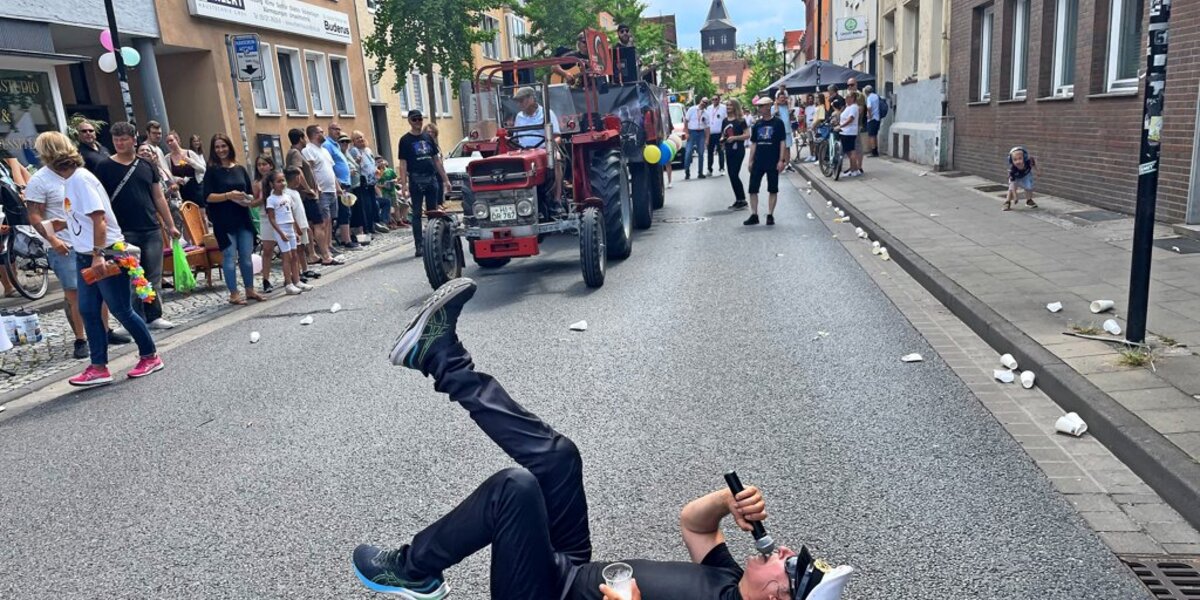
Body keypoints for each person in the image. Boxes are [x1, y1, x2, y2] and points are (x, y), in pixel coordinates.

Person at [352, 278, 852, 600]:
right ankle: (439, 356)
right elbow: (694, 525)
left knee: (514, 488)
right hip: (572, 569)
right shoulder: (729, 582)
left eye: (792, 566)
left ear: (778, 598)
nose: (785, 551)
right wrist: (727, 502)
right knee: (560, 459)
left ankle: (411, 569)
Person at [33, 131, 164, 386]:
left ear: (49, 155)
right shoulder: (72, 180)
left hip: (106, 252)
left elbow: (99, 219)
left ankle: (150, 356)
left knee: (121, 309)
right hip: (87, 254)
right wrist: (62, 224)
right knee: (89, 310)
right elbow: (85, 217)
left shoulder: (80, 179)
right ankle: (98, 366)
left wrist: (98, 255)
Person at [94, 121, 179, 330]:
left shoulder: (147, 165)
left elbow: (158, 196)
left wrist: (170, 225)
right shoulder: (104, 167)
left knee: (153, 275)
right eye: (116, 139)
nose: (119, 143)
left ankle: (154, 315)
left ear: (134, 140)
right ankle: (133, 319)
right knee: (129, 277)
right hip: (122, 231)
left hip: (150, 227)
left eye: (124, 139)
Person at [24, 153, 90, 359]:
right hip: (63, 244)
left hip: (85, 240)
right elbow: (34, 215)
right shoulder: (40, 180)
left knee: (98, 288)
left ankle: (105, 331)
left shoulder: (78, 174)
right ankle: (81, 339)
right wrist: (52, 240)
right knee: (73, 293)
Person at [203, 133, 265, 305]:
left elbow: (249, 193)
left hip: (242, 217)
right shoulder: (212, 171)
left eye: (223, 146)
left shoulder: (240, 169)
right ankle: (234, 293)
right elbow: (207, 197)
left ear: (229, 147)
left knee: (246, 256)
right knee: (229, 256)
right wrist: (228, 195)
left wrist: (247, 199)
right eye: (217, 147)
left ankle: (250, 289)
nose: (221, 150)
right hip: (223, 220)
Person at [397, 109, 452, 258]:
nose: (418, 122)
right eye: (414, 119)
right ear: (409, 121)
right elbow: (403, 163)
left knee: (433, 212)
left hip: (431, 178)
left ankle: (434, 243)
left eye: (420, 119)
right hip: (416, 179)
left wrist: (446, 179)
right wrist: (404, 185)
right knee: (416, 213)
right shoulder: (405, 140)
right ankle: (419, 245)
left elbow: (436, 160)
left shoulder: (428, 137)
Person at [511, 86, 564, 209]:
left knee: (556, 158)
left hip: (544, 150)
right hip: (523, 152)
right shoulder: (519, 117)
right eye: (518, 101)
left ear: (531, 99)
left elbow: (557, 137)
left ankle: (557, 198)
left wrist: (549, 146)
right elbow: (515, 138)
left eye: (521, 100)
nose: (519, 104)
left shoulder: (547, 113)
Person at [264, 169, 310, 295]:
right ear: (272, 184)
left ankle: (297, 280)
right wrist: (280, 233)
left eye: (283, 180)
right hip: (281, 229)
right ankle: (288, 283)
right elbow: (272, 218)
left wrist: (296, 229)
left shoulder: (287, 197)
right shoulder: (271, 199)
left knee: (294, 255)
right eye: (278, 181)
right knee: (287, 256)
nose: (282, 183)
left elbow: (291, 213)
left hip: (290, 228)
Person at [302, 124, 342, 266]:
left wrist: (337, 187)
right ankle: (324, 250)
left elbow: (330, 170)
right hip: (322, 190)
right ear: (314, 134)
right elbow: (310, 170)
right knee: (323, 221)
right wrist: (316, 187)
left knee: (329, 220)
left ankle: (329, 245)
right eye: (321, 132)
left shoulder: (324, 150)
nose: (323, 134)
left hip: (331, 189)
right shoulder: (308, 150)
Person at [744, 97, 786, 227]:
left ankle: (770, 214)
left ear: (768, 106)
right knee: (753, 189)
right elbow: (754, 143)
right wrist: (750, 160)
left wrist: (781, 160)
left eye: (761, 106)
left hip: (772, 160)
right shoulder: (757, 124)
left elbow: (782, 142)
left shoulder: (778, 123)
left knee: (773, 188)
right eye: (759, 106)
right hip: (759, 160)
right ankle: (754, 214)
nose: (759, 109)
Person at [286, 128, 323, 269]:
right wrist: (308, 189)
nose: (306, 140)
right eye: (304, 137)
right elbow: (297, 171)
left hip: (304, 195)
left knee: (309, 224)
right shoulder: (295, 153)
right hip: (305, 196)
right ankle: (315, 253)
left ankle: (313, 253)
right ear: (301, 138)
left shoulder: (297, 153)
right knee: (314, 223)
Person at [252, 155, 278, 292]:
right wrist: (262, 198)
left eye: (264, 164)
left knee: (288, 248)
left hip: (280, 215)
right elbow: (253, 202)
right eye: (259, 165)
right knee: (267, 249)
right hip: (265, 216)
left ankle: (293, 275)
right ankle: (266, 279)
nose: (262, 167)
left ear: (271, 165)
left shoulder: (277, 179)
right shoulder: (257, 183)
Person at [351, 130, 385, 236]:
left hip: (372, 182)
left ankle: (373, 226)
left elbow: (372, 164)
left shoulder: (368, 150)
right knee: (366, 206)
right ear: (353, 141)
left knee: (373, 205)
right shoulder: (354, 151)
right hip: (363, 182)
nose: (360, 139)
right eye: (357, 138)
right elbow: (355, 165)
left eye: (361, 137)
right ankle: (367, 229)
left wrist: (377, 169)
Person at [165, 131, 206, 210]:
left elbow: (202, 170)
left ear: (177, 140)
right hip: (182, 191)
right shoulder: (167, 158)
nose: (170, 143)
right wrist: (176, 179)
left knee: (201, 214)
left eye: (171, 140)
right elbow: (167, 175)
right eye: (167, 142)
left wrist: (190, 161)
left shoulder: (190, 153)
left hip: (196, 188)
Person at [722, 99, 751, 211]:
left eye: (730, 105)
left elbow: (747, 135)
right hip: (728, 150)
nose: (728, 107)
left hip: (738, 150)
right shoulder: (725, 121)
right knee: (731, 175)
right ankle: (738, 199)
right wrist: (722, 140)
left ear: (735, 107)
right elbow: (724, 134)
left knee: (734, 174)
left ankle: (742, 200)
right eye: (727, 105)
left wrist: (735, 138)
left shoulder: (741, 120)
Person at [376, 157, 409, 229]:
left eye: (381, 161)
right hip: (384, 192)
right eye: (378, 162)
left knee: (396, 206)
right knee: (388, 207)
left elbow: (396, 178)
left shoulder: (390, 170)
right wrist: (383, 185)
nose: (381, 163)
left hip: (392, 191)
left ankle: (399, 221)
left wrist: (394, 180)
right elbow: (376, 184)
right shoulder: (377, 172)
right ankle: (389, 222)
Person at [1004, 146, 1040, 211]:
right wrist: (1015, 196)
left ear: (1024, 158)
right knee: (1011, 189)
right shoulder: (1012, 170)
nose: (1018, 161)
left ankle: (1029, 200)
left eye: (1020, 158)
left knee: (1029, 187)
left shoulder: (1029, 162)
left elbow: (1034, 163)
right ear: (1011, 161)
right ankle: (1007, 202)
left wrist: (1038, 171)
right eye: (1015, 160)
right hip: (1015, 178)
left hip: (1026, 175)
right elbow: (1013, 184)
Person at [683, 97, 710, 180]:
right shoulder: (692, 109)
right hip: (692, 132)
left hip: (701, 133)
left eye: (706, 103)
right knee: (688, 152)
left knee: (701, 153)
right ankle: (687, 171)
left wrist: (707, 139)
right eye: (703, 101)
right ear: (700, 101)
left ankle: (700, 173)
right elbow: (686, 121)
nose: (704, 103)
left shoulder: (706, 113)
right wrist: (686, 133)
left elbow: (707, 127)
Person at [837, 94, 862, 178]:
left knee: (851, 151)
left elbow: (850, 119)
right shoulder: (849, 107)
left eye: (847, 98)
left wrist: (841, 126)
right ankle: (854, 169)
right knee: (849, 151)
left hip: (848, 132)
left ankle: (853, 170)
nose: (846, 99)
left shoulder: (854, 107)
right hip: (845, 132)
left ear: (852, 98)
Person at [706, 94, 727, 177]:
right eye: (713, 99)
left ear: (719, 100)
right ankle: (709, 169)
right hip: (710, 133)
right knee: (710, 152)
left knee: (720, 151)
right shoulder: (709, 108)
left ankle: (722, 168)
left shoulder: (723, 108)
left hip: (719, 133)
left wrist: (724, 133)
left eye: (716, 99)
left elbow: (725, 120)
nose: (714, 101)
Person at [863, 86, 881, 158]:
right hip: (877, 118)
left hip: (872, 119)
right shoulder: (876, 96)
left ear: (866, 92)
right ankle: (876, 150)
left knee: (871, 136)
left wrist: (869, 116)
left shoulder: (869, 98)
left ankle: (873, 152)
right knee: (875, 135)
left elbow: (869, 107)